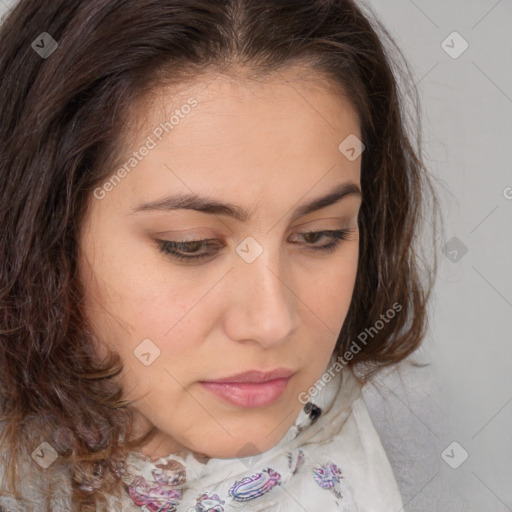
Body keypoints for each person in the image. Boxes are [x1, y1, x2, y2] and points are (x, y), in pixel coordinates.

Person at [0, 0, 441, 510]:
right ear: (39, 237)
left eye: (320, 235)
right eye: (191, 245)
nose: (272, 322)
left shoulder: (366, 465)